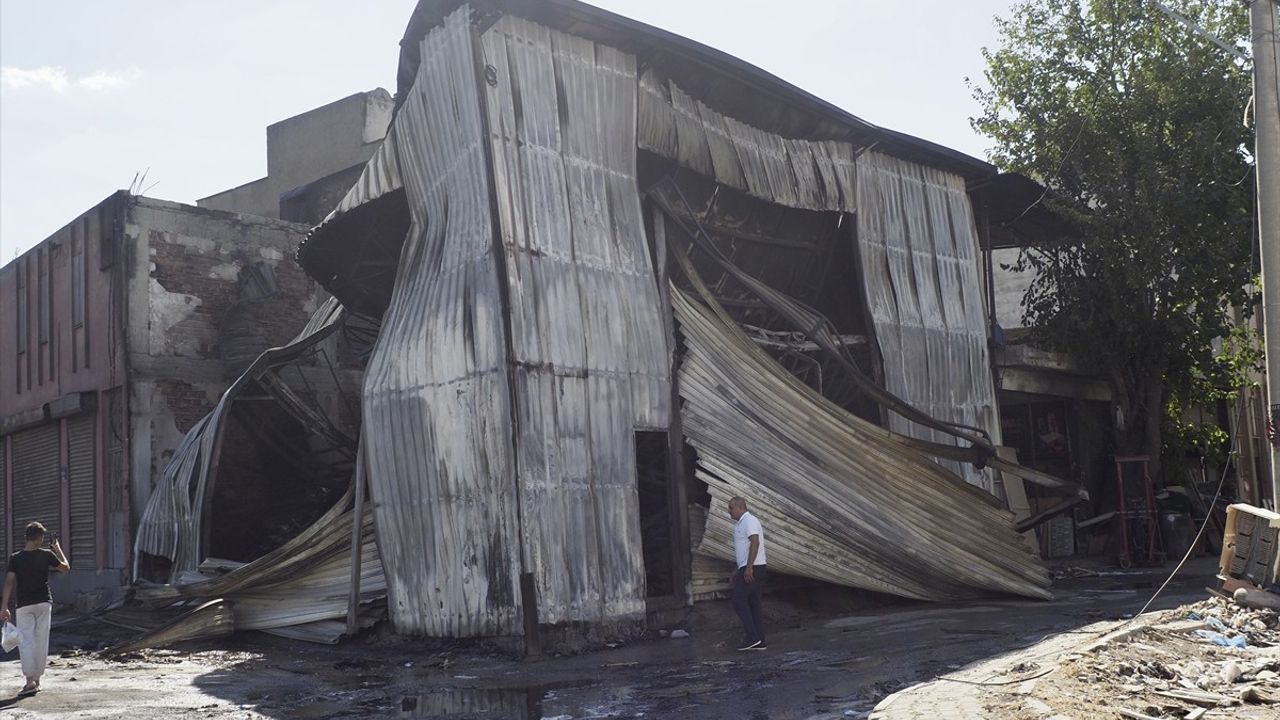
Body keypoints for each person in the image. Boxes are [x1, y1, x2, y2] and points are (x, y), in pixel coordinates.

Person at [1, 522, 70, 696]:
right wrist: (57, 548)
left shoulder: (15, 558)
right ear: (39, 538)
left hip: (24, 604)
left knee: (26, 641)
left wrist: (4, 606)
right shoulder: (47, 555)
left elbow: (9, 582)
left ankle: (30, 680)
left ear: (26, 537)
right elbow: (65, 568)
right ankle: (37, 680)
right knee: (41, 641)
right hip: (43, 602)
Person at [727, 497, 768, 651]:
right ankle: (759, 640)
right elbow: (743, 551)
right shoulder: (741, 523)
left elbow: (755, 542)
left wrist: (749, 568)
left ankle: (752, 637)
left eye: (731, 508)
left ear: (739, 507)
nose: (728, 511)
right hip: (749, 567)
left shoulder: (749, 520)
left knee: (738, 600)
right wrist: (737, 570)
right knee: (753, 604)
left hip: (754, 568)